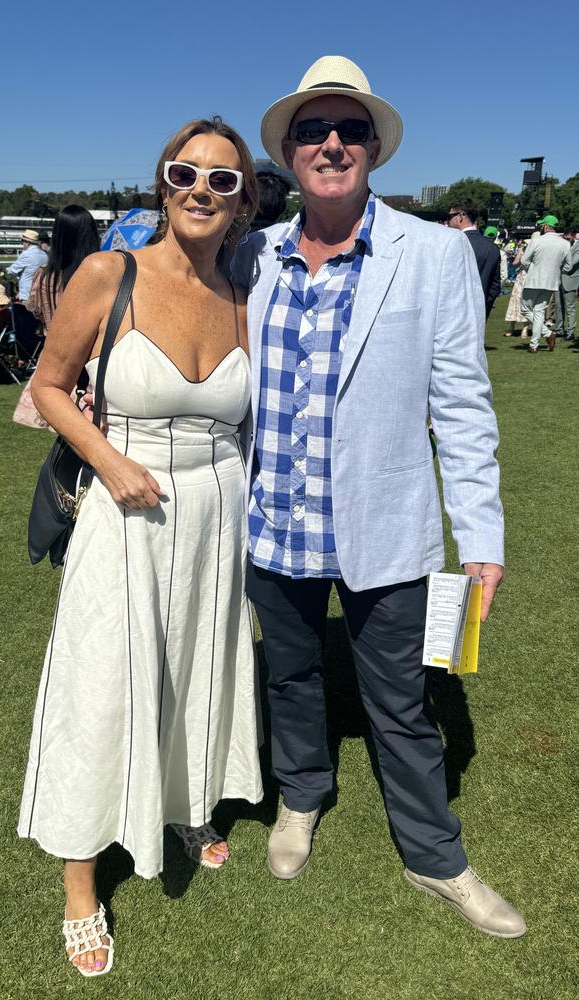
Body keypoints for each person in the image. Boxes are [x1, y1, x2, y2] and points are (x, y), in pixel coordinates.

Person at [232, 54, 525, 939]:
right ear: (287, 150)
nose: (332, 143)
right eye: (314, 130)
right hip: (273, 524)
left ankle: (437, 857)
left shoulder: (432, 253)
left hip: (384, 523)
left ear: (374, 149)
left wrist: (481, 533)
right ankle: (302, 797)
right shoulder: (252, 256)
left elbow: (463, 408)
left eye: (350, 129)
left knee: (400, 703)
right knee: (289, 677)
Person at [17, 117, 263, 976]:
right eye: (185, 172)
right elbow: (48, 386)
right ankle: (81, 883)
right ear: (163, 183)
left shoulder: (241, 291)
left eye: (222, 180)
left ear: (242, 201)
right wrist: (109, 459)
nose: (201, 189)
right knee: (104, 684)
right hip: (126, 507)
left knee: (198, 665)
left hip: (217, 511)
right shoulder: (107, 272)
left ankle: (185, 803)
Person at [14, 205, 101, 430]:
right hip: (94, 360)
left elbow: (34, 309)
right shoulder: (100, 275)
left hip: (55, 358)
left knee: (63, 427)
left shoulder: (44, 276)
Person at [520, 215, 572, 353]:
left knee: (526, 309)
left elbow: (524, 261)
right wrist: (555, 270)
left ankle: (543, 337)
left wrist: (533, 269)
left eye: (542, 225)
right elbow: (568, 267)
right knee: (539, 312)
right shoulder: (565, 244)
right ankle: (537, 342)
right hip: (551, 282)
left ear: (546, 226)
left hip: (534, 280)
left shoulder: (537, 241)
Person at [447, 202, 501, 317]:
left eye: (450, 216)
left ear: (461, 216)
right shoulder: (492, 248)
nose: (448, 221)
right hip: (479, 312)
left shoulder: (451, 243)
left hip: (452, 312)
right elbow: (494, 287)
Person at [5, 229, 48, 302]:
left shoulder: (26, 254)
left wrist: (4, 271)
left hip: (27, 294)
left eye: (23, 242)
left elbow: (11, 271)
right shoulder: (45, 255)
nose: (23, 244)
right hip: (41, 293)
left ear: (27, 243)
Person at [554, 230, 579, 343]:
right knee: (558, 306)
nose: (566, 240)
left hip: (570, 280)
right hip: (558, 279)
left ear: (573, 236)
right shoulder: (562, 246)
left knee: (570, 308)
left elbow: (571, 264)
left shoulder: (577, 247)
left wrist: (557, 265)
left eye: (568, 238)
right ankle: (559, 330)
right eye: (565, 238)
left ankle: (570, 332)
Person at [504, 240, 531, 337]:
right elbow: (514, 263)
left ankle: (525, 329)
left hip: (531, 277)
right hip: (521, 278)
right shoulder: (522, 250)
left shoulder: (536, 252)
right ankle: (511, 326)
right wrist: (520, 256)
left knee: (527, 302)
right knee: (515, 300)